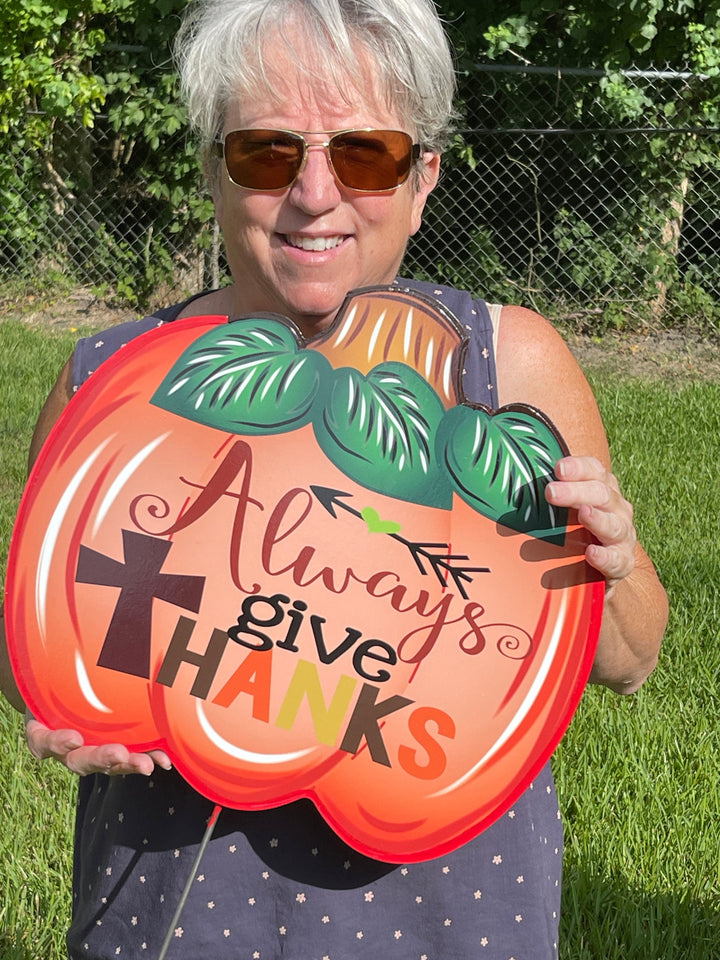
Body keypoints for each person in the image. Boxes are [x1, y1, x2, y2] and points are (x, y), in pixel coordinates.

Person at [1, 0, 667, 957]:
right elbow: (31, 638)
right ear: (213, 168)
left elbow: (632, 659)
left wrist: (611, 559)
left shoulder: (505, 369)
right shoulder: (113, 383)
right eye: (268, 151)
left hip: (448, 919)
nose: (315, 193)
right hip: (174, 913)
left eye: (365, 154)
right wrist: (57, 705)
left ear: (422, 179)